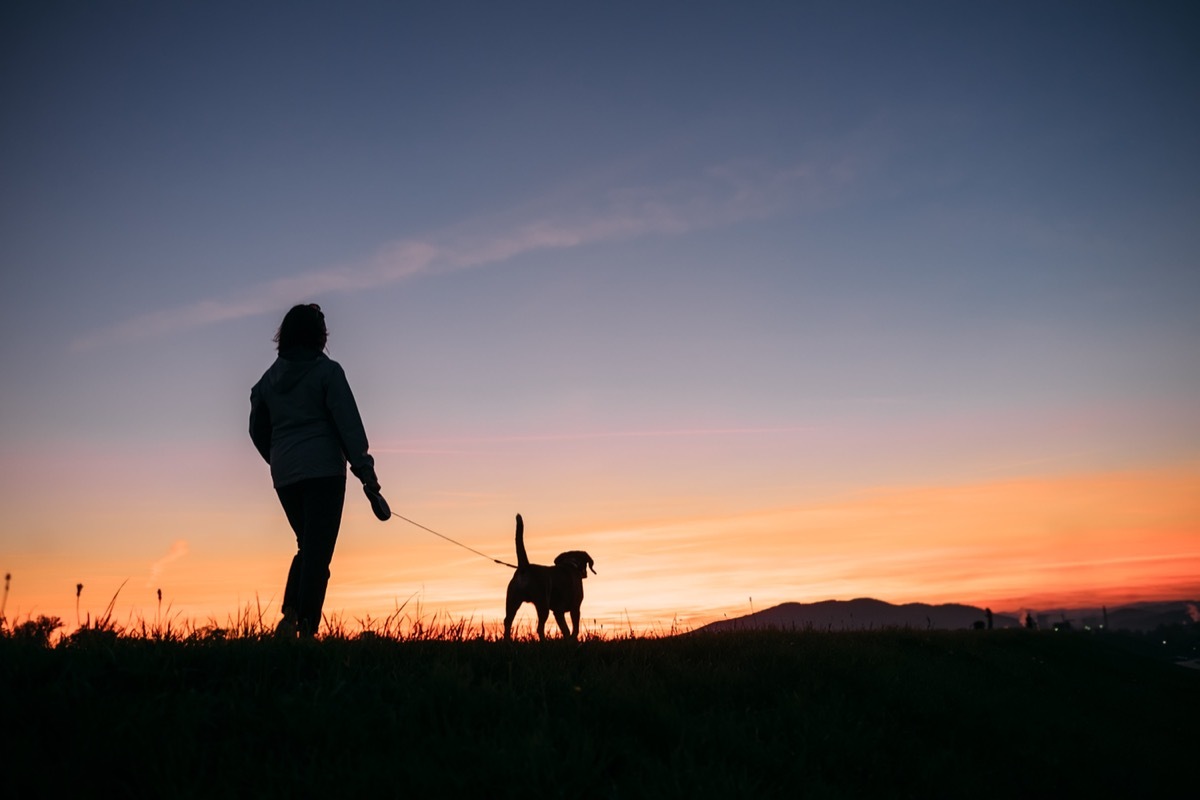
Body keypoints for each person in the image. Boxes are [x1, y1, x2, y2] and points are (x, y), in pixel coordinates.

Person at [249, 303, 383, 637]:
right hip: (323, 471)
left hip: (285, 473)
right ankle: (305, 629)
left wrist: (277, 458)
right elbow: (348, 423)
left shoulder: (266, 383)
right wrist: (366, 472)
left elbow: (256, 430)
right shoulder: (328, 373)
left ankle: (291, 618)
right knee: (317, 554)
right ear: (318, 336)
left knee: (307, 546)